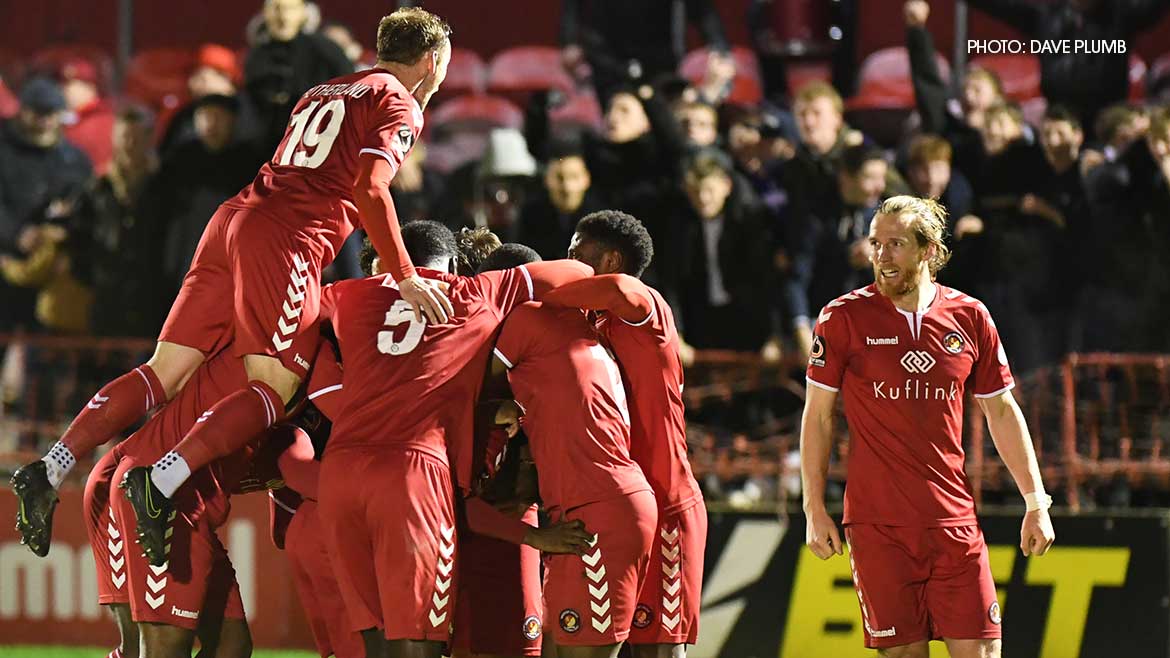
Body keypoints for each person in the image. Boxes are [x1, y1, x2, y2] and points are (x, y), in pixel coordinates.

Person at [11, 7, 455, 560]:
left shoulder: (323, 90)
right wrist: (405, 275)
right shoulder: (399, 101)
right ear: (432, 61)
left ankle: (50, 465)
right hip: (288, 236)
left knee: (162, 372)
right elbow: (371, 186)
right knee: (275, 384)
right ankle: (162, 481)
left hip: (234, 218)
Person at [318, 221, 593, 658]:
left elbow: (289, 313)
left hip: (337, 473)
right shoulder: (474, 293)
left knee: (373, 645)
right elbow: (574, 274)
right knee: (419, 643)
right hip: (412, 473)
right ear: (449, 263)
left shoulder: (349, 294)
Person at [800, 195, 1055, 658]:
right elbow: (817, 416)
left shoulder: (970, 316)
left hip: (952, 520)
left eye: (896, 244)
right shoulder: (842, 317)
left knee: (981, 652)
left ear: (929, 251)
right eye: (876, 243)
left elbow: (1001, 410)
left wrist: (1036, 501)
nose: (881, 256)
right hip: (878, 526)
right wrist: (813, 507)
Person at [543, 210, 707, 656]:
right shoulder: (587, 326)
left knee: (657, 651)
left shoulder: (646, 308)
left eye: (579, 253)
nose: (568, 260)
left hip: (667, 499)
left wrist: (528, 290)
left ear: (612, 258)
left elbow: (619, 289)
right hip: (612, 507)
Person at [491, 293, 656, 658]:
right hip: (595, 505)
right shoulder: (573, 332)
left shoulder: (530, 319)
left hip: (597, 512)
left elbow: (469, 382)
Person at [0, 77, 92, 331]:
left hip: (49, 275)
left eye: (50, 113)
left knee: (46, 354)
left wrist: (61, 234)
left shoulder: (74, 160)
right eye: (37, 112)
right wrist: (16, 234)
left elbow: (83, 209)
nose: (44, 120)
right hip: (5, 263)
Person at [241, 0, 354, 153]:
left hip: (323, 147)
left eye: (290, 9)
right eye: (276, 9)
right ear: (265, 13)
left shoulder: (326, 52)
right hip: (271, 151)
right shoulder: (255, 57)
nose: (283, 17)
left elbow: (353, 94)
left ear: (303, 13)